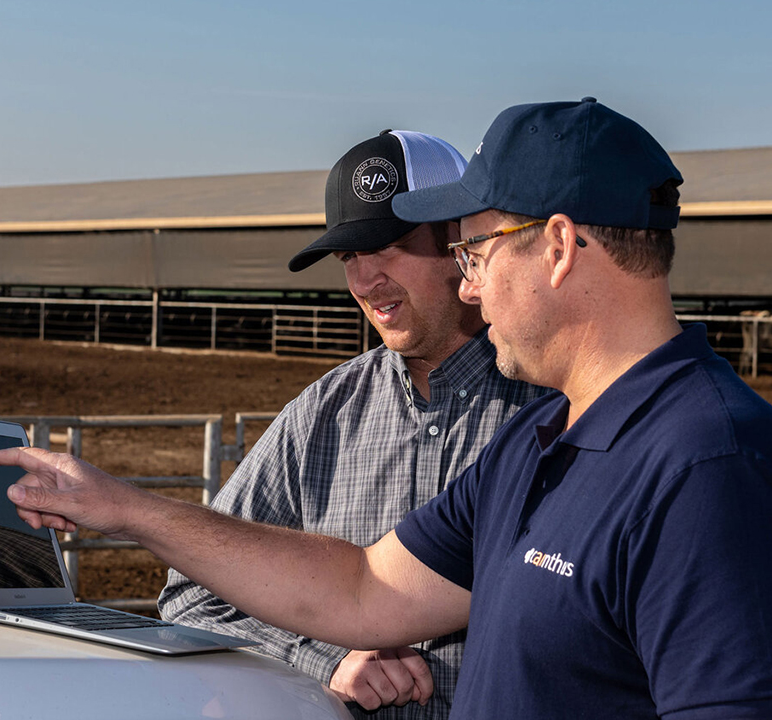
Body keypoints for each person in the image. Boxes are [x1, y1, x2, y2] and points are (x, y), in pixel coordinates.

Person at [0, 99, 772, 719]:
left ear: (558, 247)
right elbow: (362, 588)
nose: (470, 280)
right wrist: (123, 507)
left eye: (473, 249)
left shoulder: (717, 471)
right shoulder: (546, 443)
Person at [157, 129, 546, 718]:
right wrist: (324, 657)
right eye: (349, 258)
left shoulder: (555, 406)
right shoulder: (322, 415)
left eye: (388, 246)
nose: (365, 282)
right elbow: (191, 594)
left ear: (462, 241)